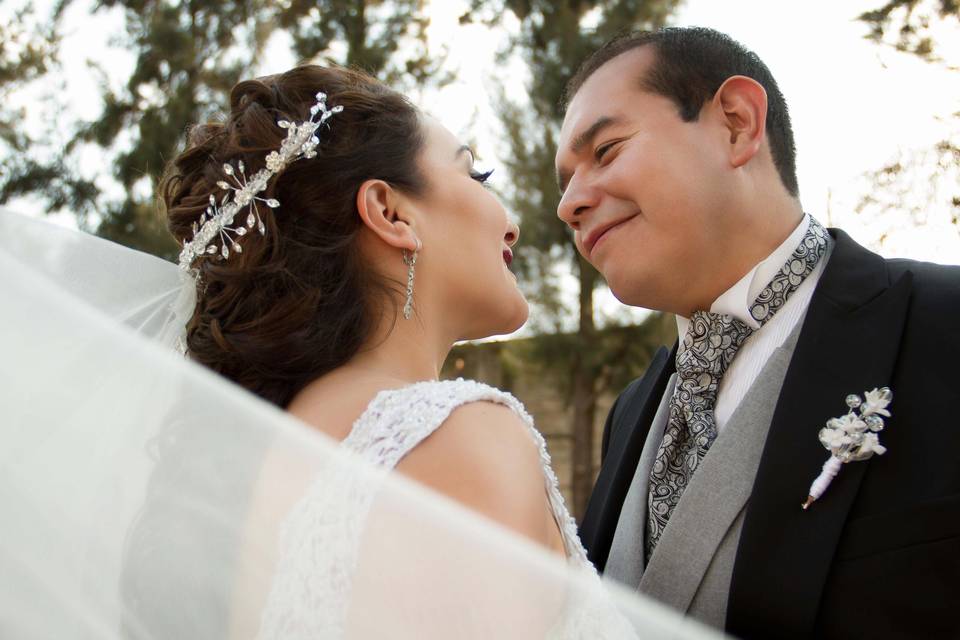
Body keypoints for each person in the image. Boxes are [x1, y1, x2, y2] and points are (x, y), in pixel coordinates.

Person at [3, 64, 711, 639]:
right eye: (475, 175)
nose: (515, 219)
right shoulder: (458, 435)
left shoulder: (250, 459)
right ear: (391, 213)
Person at [555, 26, 960, 640]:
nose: (569, 204)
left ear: (738, 124)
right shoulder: (631, 413)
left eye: (605, 150)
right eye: (564, 182)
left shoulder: (945, 325)